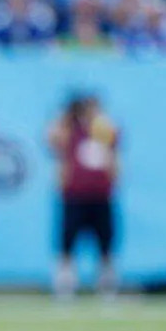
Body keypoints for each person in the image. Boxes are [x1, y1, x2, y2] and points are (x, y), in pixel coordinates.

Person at [48, 92, 120, 297]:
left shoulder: (105, 131)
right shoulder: (70, 130)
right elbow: (52, 138)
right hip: (74, 195)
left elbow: (114, 157)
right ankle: (65, 284)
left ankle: (107, 285)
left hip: (100, 195)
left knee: (105, 242)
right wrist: (67, 115)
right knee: (67, 242)